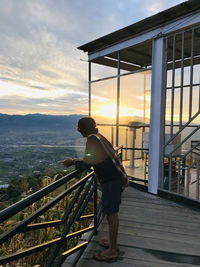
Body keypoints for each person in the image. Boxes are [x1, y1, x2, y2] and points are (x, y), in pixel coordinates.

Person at [63, 117, 128, 262]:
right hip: (114, 179)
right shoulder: (98, 137)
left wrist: (72, 161)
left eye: (78, 127)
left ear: (82, 129)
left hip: (111, 181)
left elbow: (88, 162)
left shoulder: (92, 140)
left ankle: (112, 250)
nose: (78, 130)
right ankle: (112, 243)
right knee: (111, 213)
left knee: (112, 214)